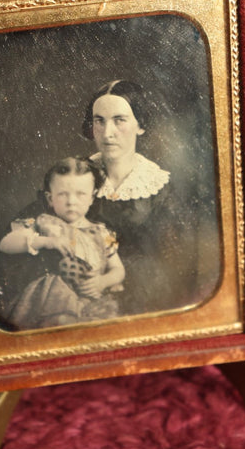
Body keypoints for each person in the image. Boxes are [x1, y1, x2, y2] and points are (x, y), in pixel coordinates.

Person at [82, 80, 194, 315]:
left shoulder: (159, 187)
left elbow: (175, 260)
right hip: (81, 294)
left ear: (140, 125)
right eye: (99, 121)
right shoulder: (76, 175)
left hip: (143, 299)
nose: (107, 133)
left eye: (119, 120)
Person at [0, 157, 125, 330]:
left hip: (90, 299)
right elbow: (5, 244)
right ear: (50, 198)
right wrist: (46, 241)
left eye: (80, 194)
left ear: (92, 198)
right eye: (63, 194)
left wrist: (102, 282)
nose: (71, 201)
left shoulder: (101, 233)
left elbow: (118, 270)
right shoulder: (44, 223)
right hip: (52, 298)